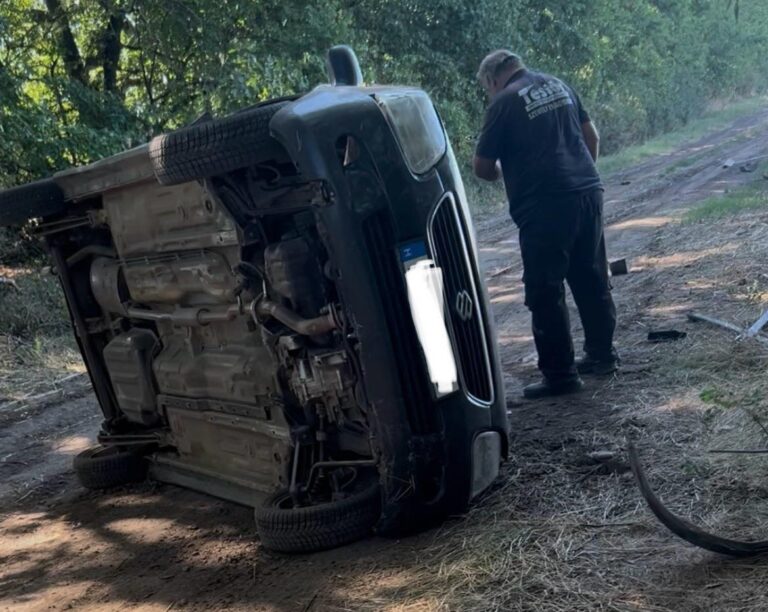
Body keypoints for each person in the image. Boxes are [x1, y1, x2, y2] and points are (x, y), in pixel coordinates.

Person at [473, 50, 618, 399]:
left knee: (545, 290)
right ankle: (603, 356)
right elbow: (592, 137)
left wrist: (499, 174)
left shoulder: (504, 103)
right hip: (587, 192)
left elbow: (481, 165)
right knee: (591, 277)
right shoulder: (560, 85)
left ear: (493, 79)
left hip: (545, 205)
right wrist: (579, 176)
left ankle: (561, 376)